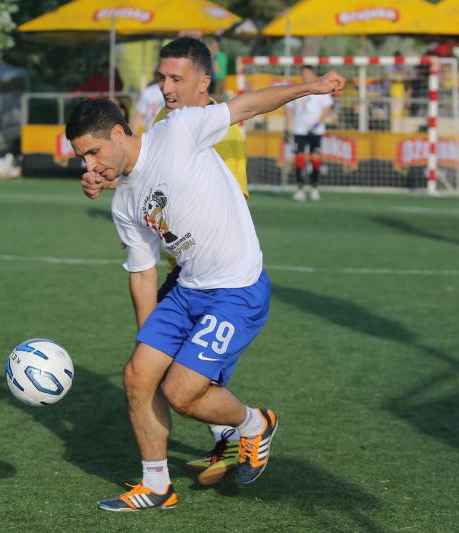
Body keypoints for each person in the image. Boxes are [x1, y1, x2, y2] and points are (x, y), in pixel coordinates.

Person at [66, 71, 345, 510]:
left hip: (237, 286)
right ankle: (157, 486)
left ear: (119, 133)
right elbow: (141, 272)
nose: (90, 166)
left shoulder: (177, 131)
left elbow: (248, 105)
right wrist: (149, 345)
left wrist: (307, 89)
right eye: (82, 159)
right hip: (187, 290)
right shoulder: (122, 203)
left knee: (181, 393)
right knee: (139, 376)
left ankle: (253, 425)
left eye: (94, 152)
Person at [81, 36, 249, 487]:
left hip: (218, 267)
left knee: (189, 378)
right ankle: (217, 442)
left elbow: (222, 199)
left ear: (203, 82)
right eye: (161, 79)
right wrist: (107, 179)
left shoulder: (218, 129)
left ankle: (237, 432)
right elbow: (144, 183)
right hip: (183, 267)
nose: (167, 89)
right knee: (149, 369)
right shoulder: (164, 120)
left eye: (176, 79)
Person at [286, 66, 333, 202]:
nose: (305, 75)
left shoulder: (321, 88)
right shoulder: (297, 89)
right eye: (303, 73)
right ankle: (300, 188)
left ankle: (314, 188)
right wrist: (288, 126)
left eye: (307, 72)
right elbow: (289, 109)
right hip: (299, 129)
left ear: (313, 73)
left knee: (315, 158)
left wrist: (317, 123)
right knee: (300, 157)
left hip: (315, 130)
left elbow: (327, 109)